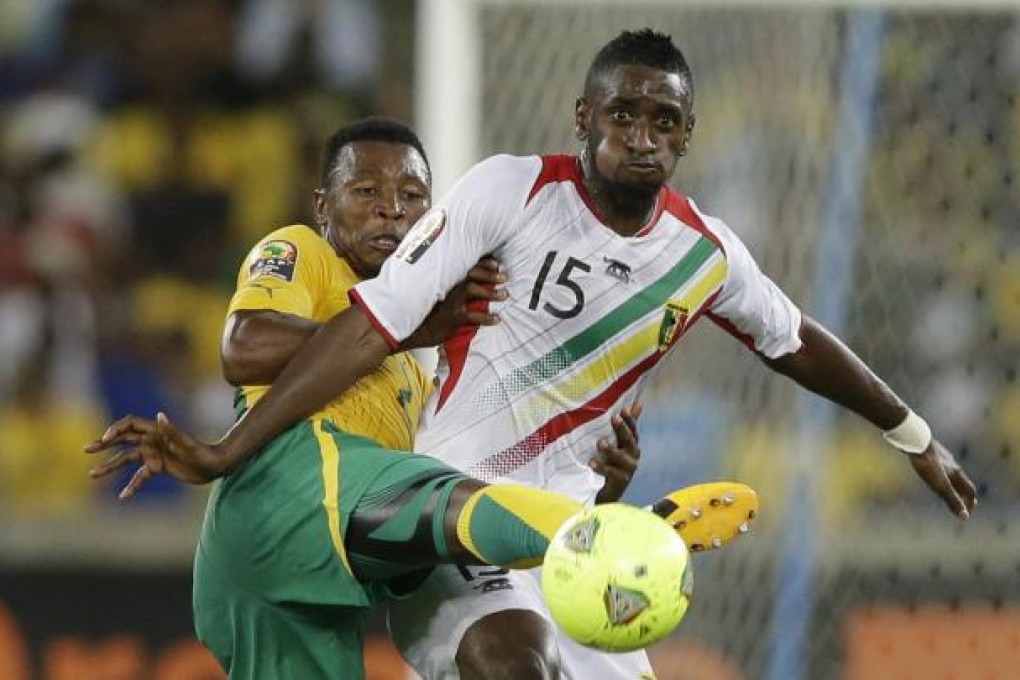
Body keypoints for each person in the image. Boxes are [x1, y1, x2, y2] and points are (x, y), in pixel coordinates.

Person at [89, 27, 977, 679]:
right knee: (516, 666)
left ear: (686, 132)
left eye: (661, 118)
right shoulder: (507, 193)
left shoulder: (705, 254)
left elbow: (797, 343)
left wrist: (909, 431)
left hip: (577, 531)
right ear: (585, 115)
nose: (640, 133)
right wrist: (227, 452)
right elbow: (362, 327)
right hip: (448, 518)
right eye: (622, 112)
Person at [86, 117, 749, 679]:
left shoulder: (415, 370)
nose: (390, 209)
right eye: (366, 190)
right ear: (323, 205)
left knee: (445, 499)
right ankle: (603, 539)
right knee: (441, 496)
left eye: (411, 196)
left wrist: (598, 487)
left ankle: (590, 523)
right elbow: (243, 345)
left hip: (296, 580)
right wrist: (400, 330)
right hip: (284, 495)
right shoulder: (305, 255)